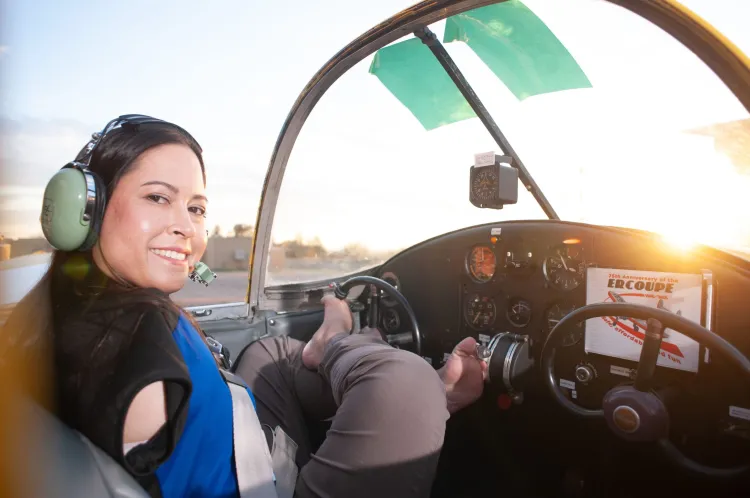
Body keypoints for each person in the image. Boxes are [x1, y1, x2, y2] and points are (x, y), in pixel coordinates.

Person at [3, 114, 487, 498]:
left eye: (194, 209)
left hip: (244, 441)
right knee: (406, 381)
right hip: (259, 482)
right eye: (157, 198)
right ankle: (352, 351)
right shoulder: (138, 328)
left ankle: (334, 350)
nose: (186, 228)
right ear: (86, 209)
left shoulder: (53, 309)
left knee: (273, 353)